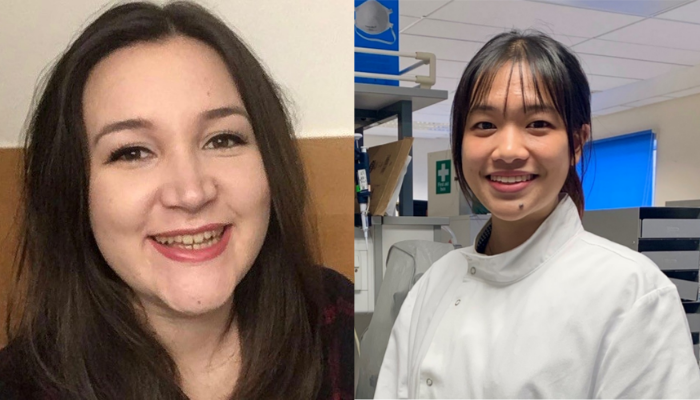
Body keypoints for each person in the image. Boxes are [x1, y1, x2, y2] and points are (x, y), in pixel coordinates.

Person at [0, 2, 353, 399]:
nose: (191, 193)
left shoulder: (331, 318)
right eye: (132, 152)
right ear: (73, 191)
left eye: (222, 139)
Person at [375, 30, 700, 398]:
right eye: (484, 125)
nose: (508, 150)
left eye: (538, 124)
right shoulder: (435, 282)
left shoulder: (631, 293)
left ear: (576, 144)